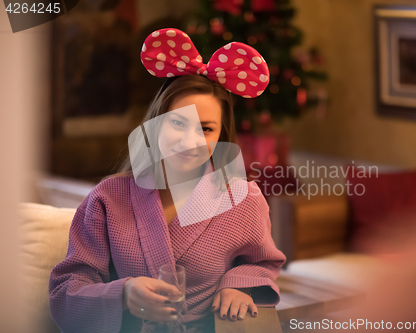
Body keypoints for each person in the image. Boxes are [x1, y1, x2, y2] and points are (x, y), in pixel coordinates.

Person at [49, 28, 285, 333]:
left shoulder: (244, 199)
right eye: (177, 123)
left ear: (221, 137)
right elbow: (66, 291)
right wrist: (122, 293)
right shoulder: (108, 197)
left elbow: (263, 264)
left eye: (206, 129)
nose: (190, 141)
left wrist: (238, 286)